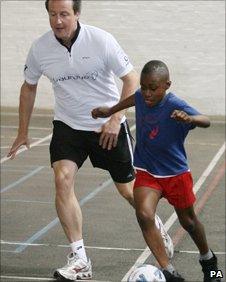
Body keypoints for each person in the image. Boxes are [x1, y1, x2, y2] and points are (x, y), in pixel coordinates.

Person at [7, 1, 173, 281]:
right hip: (68, 125)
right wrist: (23, 130)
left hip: (107, 125)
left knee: (131, 193)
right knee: (62, 178)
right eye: (52, 15)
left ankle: (155, 224)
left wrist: (115, 119)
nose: (58, 21)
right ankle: (80, 259)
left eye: (64, 14)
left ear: (77, 14)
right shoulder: (40, 48)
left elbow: (131, 79)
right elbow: (29, 85)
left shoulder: (100, 40)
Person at [92, 60, 221, 282]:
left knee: (189, 221)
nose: (147, 93)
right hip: (147, 169)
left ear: (167, 85)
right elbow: (134, 98)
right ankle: (169, 271)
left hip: (175, 173)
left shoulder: (174, 104)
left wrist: (189, 118)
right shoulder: (142, 96)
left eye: (153, 88)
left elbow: (206, 121)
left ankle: (209, 261)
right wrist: (111, 110)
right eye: (144, 87)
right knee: (143, 213)